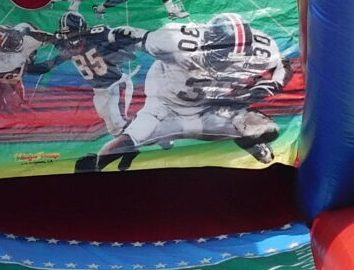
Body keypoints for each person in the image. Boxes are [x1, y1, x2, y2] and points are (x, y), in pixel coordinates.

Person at [79, 15, 287, 172]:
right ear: (206, 44)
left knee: (249, 125)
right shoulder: (175, 40)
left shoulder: (263, 48)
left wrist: (271, 85)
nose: (227, 64)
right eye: (222, 58)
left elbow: (282, 65)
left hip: (212, 103)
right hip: (165, 101)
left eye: (235, 59)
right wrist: (108, 38)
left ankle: (252, 143)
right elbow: (132, 35)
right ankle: (95, 167)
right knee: (128, 140)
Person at [0, 23, 56, 181]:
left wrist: (58, 39)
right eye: (8, 45)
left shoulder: (27, 35)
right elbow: (34, 70)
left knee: (18, 110)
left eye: (12, 39)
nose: (14, 44)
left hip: (15, 77)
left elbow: (53, 39)